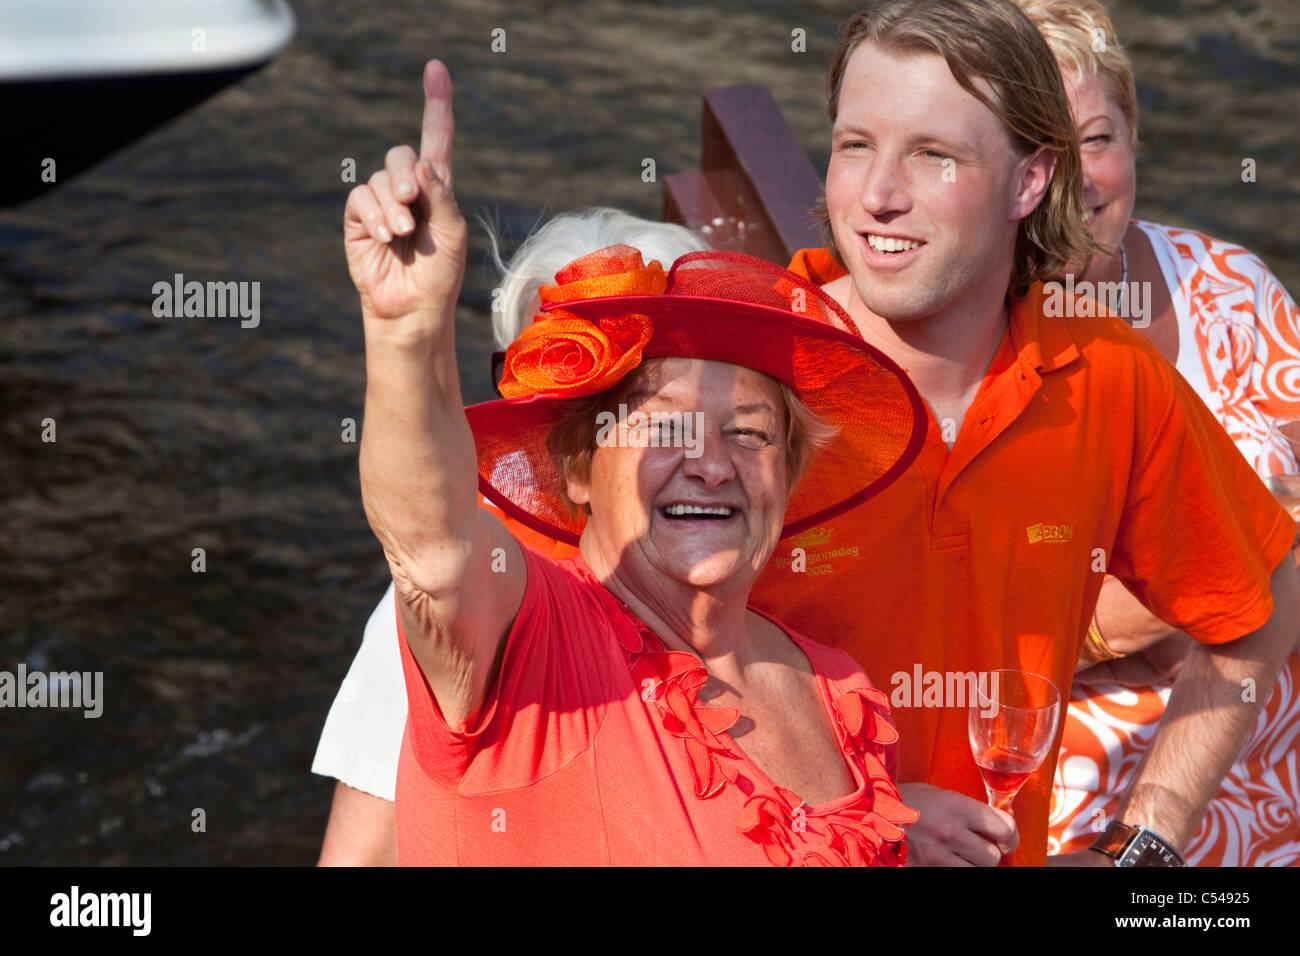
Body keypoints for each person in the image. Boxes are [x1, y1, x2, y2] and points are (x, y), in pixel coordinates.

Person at [318, 0, 1300, 867]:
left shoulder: (1110, 379)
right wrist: (862, 820)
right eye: (853, 144)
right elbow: (453, 566)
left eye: (931, 154)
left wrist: (1149, 839)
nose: (876, 194)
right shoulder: (738, 368)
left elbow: (1261, 593)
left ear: (1028, 181)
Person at [337, 59, 930, 864]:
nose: (712, 463)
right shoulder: (532, 641)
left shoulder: (841, 690)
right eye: (667, 428)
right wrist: (407, 335)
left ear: (787, 472)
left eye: (750, 433)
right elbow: (432, 549)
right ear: (576, 468)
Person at [312, 210, 706, 865]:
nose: (568, 424)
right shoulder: (470, 594)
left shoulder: (749, 575)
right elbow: (361, 854)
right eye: (543, 380)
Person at [1008, 0, 1300, 865]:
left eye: (1096, 140)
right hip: (1085, 826)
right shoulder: (960, 339)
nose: (1072, 182)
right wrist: (1121, 621)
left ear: (1135, 138)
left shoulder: (1235, 290)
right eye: (1034, 151)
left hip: (1275, 797)